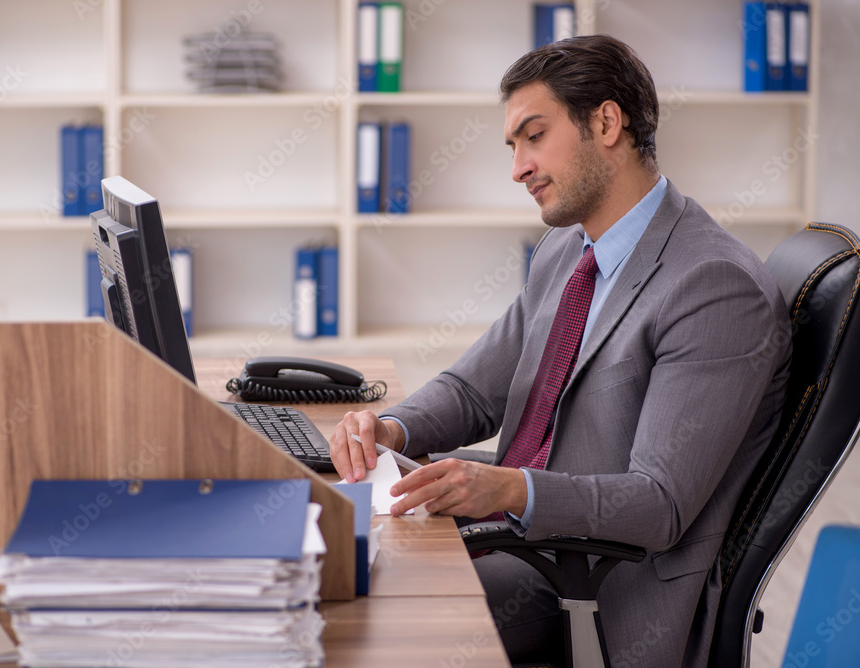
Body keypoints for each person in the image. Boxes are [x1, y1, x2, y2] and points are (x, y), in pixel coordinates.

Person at [330, 34, 791, 666]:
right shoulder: (568, 251)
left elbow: (659, 504)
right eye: (513, 145)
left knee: (362, 607)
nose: (517, 166)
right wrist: (391, 428)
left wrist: (510, 491)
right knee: (337, 562)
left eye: (534, 136)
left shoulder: (713, 284)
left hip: (593, 585)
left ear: (606, 122)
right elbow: (473, 389)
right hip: (524, 544)